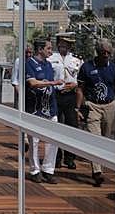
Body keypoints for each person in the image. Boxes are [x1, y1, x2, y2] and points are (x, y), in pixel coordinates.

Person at [77, 39, 115, 187]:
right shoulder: (87, 67)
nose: (106, 55)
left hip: (110, 105)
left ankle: (101, 163)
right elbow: (80, 88)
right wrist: (78, 107)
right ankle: (97, 171)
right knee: (95, 138)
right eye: (103, 52)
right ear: (98, 52)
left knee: (105, 139)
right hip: (93, 105)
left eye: (108, 52)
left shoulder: (114, 68)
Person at [25, 39, 64, 184]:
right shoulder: (29, 63)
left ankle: (48, 170)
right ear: (40, 49)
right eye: (48, 48)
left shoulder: (48, 64)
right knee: (34, 140)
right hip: (35, 109)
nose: (50, 51)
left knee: (53, 140)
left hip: (50, 108)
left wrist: (59, 86)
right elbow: (33, 83)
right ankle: (35, 170)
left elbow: (52, 83)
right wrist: (52, 83)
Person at [47, 32, 83, 170]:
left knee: (71, 127)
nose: (65, 46)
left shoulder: (76, 60)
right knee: (56, 126)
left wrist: (75, 85)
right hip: (56, 94)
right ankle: (56, 157)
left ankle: (70, 158)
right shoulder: (51, 58)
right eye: (62, 43)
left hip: (70, 96)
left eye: (68, 44)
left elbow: (80, 79)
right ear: (58, 44)